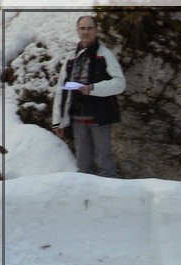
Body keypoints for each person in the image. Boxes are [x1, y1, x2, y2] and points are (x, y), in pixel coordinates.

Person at [51, 15, 126, 178]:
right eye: (82, 28)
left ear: (96, 30)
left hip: (99, 117)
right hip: (77, 119)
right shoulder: (71, 57)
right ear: (78, 31)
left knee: (104, 161)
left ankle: (110, 197)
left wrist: (92, 88)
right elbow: (61, 89)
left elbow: (120, 83)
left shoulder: (105, 55)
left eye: (90, 28)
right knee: (83, 164)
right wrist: (58, 120)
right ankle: (86, 200)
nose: (86, 32)